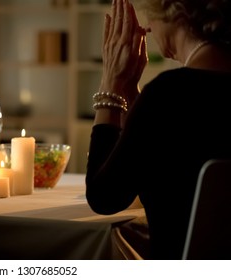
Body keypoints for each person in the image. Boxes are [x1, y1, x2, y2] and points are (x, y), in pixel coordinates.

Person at [85, 0, 231, 259]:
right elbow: (162, 149)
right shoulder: (165, 100)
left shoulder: (167, 96)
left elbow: (104, 197)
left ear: (175, 12)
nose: (148, 27)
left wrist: (111, 82)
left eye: (151, 16)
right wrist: (133, 94)